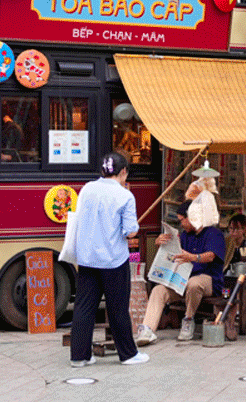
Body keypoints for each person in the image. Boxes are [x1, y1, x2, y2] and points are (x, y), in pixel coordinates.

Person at [68, 152, 149, 367]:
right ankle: (128, 354)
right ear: (123, 172)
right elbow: (130, 232)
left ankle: (79, 356)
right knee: (117, 308)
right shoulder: (124, 196)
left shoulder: (87, 189)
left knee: (84, 306)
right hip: (113, 259)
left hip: (87, 258)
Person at [135, 198, 226, 345]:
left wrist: (192, 257)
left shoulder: (213, 233)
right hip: (182, 280)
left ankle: (188, 320)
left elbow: (211, 256)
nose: (181, 224)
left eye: (182, 220)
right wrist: (161, 244)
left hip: (208, 280)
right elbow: (173, 254)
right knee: (159, 290)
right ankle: (148, 329)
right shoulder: (184, 235)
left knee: (194, 283)